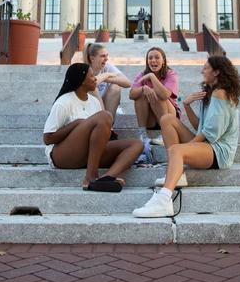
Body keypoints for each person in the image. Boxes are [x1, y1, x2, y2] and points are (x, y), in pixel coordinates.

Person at [133, 56, 240, 217]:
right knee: (167, 119)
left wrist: (185, 148)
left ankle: (164, 201)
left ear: (217, 72)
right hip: (207, 143)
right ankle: (176, 173)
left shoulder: (221, 93)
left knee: (177, 150)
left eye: (206, 67)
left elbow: (211, 134)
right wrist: (186, 105)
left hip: (219, 151)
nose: (202, 70)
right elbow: (201, 127)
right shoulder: (212, 92)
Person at [43, 63, 143, 192]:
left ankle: (106, 178)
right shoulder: (64, 102)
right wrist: (76, 124)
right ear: (81, 80)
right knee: (105, 116)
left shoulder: (94, 101)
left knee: (136, 144)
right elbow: (48, 138)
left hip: (89, 154)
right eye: (92, 76)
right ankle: (90, 177)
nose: (96, 78)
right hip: (62, 156)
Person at [129, 47, 180, 146]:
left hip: (169, 116)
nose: (153, 60)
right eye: (150, 58)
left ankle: (166, 134)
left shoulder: (171, 74)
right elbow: (131, 95)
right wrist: (143, 88)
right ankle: (143, 135)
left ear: (163, 61)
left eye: (157, 57)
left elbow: (165, 94)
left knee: (157, 94)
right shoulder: (142, 74)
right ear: (147, 61)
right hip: (151, 119)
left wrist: (152, 77)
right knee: (141, 94)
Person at [83, 42, 131, 121]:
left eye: (107, 55)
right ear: (92, 58)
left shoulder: (106, 66)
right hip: (87, 112)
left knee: (115, 87)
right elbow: (93, 83)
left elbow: (127, 83)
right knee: (93, 88)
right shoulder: (84, 69)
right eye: (102, 56)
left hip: (106, 108)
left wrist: (105, 77)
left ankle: (108, 125)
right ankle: (103, 122)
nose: (106, 59)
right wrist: (106, 75)